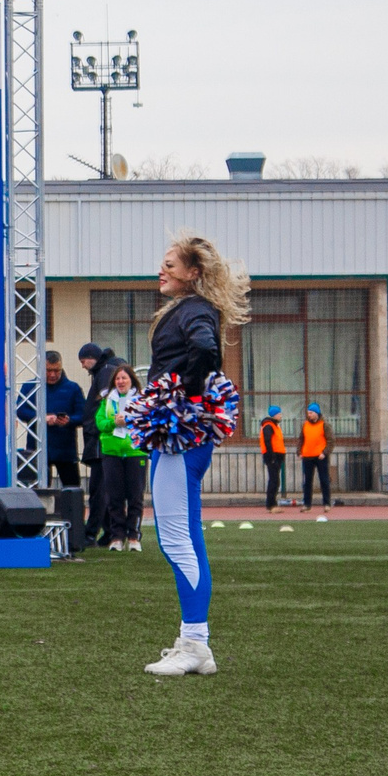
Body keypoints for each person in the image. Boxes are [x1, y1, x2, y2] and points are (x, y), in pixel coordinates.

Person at [142, 234, 249, 679]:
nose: (161, 270)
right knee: (185, 536)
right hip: (182, 434)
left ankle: (196, 643)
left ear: (193, 272)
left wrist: (179, 397)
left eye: (170, 264)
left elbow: (206, 351)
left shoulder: (194, 310)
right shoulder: (189, 308)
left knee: (176, 540)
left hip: (180, 436)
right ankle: (194, 641)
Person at [40, 350, 89, 553]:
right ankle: (39, 529)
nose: (52, 375)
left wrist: (69, 420)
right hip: (39, 450)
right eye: (49, 371)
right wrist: (42, 418)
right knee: (40, 492)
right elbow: (22, 410)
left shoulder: (72, 388)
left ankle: (77, 533)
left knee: (72, 491)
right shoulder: (31, 387)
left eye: (56, 371)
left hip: (66, 448)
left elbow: (83, 414)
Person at [95, 364, 148, 550]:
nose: (120, 381)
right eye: (118, 378)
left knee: (135, 496)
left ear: (131, 380)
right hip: (112, 453)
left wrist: (131, 419)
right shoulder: (106, 399)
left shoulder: (142, 399)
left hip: (135, 452)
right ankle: (117, 536)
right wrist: (113, 422)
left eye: (124, 378)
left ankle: (134, 536)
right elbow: (100, 422)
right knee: (114, 496)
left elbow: (148, 420)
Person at [77, 342, 121, 543]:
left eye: (83, 360)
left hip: (100, 440)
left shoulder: (104, 373)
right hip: (104, 438)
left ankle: (92, 532)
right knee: (105, 488)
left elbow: (104, 405)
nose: (83, 365)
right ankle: (109, 531)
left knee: (98, 489)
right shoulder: (108, 370)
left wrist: (94, 427)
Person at [297, 402, 333, 510]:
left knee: (324, 480)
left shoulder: (324, 425)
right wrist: (299, 451)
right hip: (307, 456)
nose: (309, 415)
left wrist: (324, 452)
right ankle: (307, 504)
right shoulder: (305, 425)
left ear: (317, 413)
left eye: (311, 413)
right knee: (307, 482)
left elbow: (331, 440)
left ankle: (327, 504)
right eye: (308, 413)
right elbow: (301, 439)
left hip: (320, 457)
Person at [258, 405, 287, 512]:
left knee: (275, 480)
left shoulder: (274, 426)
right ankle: (271, 504)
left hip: (277, 455)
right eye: (279, 414)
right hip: (272, 456)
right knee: (274, 480)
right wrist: (272, 456)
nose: (281, 416)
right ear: (275, 415)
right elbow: (267, 441)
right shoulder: (268, 426)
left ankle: (272, 503)